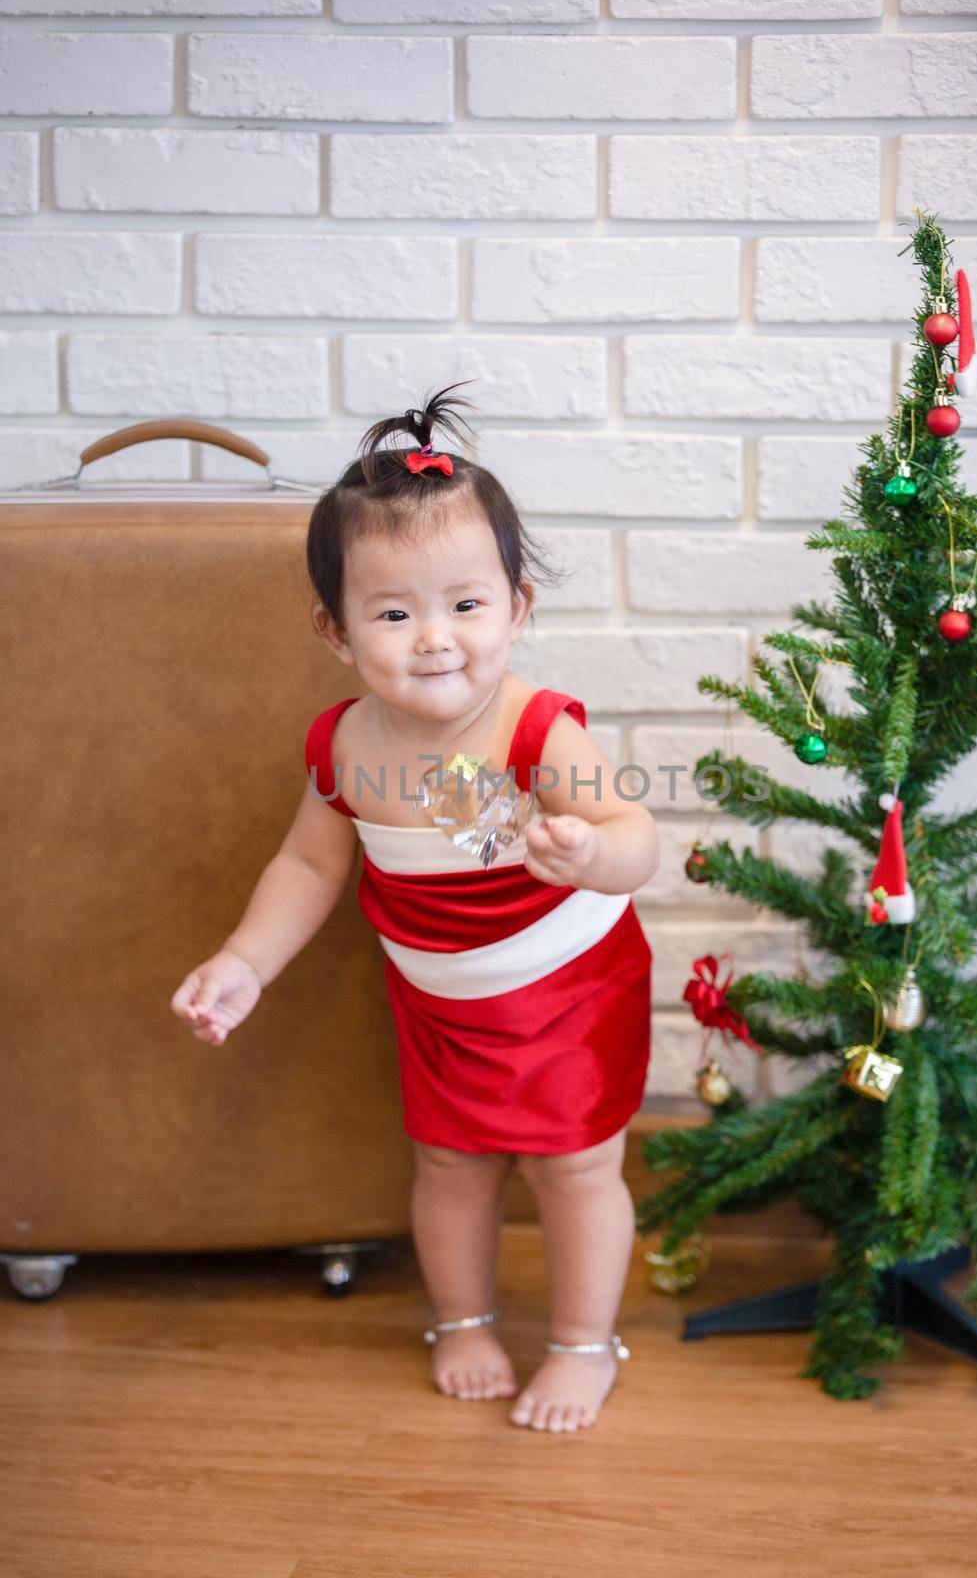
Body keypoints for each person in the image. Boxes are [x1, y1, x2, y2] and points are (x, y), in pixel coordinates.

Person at [170, 381, 659, 1434]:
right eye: (395, 612)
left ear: (517, 609)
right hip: (439, 1002)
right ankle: (464, 1317)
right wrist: (244, 961)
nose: (435, 638)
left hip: (565, 987)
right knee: (448, 1158)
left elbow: (640, 842)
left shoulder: (537, 728)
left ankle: (583, 1342)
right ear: (338, 633)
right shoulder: (345, 743)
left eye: (466, 605)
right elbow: (307, 868)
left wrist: (589, 851)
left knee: (575, 1166)